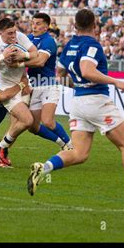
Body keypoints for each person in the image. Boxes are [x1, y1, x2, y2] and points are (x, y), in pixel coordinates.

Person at [27, 9, 124, 206]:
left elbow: (60, 73)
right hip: (97, 102)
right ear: (95, 25)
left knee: (79, 154)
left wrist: (79, 85)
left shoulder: (70, 44)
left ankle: (44, 168)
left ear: (75, 25)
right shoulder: (92, 45)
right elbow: (87, 70)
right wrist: (115, 82)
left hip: (77, 103)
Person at [0, 18, 38, 167]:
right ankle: (1, 146)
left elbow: (35, 54)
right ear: (1, 33)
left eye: (14, 31)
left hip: (24, 85)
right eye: (9, 33)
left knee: (16, 127)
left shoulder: (20, 37)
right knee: (27, 120)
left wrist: (23, 56)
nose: (13, 35)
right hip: (9, 90)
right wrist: (2, 57)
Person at [24, 13, 73, 150]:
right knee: (33, 127)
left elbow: (40, 61)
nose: (34, 26)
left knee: (48, 121)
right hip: (34, 85)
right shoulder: (28, 39)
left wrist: (18, 63)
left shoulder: (49, 41)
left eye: (38, 23)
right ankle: (61, 143)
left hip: (48, 85)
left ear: (46, 26)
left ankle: (70, 144)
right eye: (33, 23)